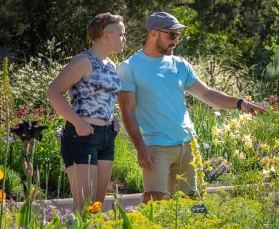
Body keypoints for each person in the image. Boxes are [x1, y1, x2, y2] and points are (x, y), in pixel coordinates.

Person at [117, 12, 267, 203]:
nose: (176, 41)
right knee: (155, 203)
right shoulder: (129, 67)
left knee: (190, 204)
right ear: (153, 34)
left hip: (188, 145)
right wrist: (140, 148)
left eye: (178, 35)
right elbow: (127, 112)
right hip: (156, 148)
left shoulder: (180, 65)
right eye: (172, 35)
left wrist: (240, 103)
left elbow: (207, 94)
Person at [47, 12, 125, 213]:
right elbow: (53, 92)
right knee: (83, 207)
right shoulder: (83, 61)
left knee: (95, 207)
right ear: (106, 35)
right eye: (121, 34)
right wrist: (78, 123)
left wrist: (113, 117)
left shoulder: (110, 65)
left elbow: (100, 97)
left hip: (107, 137)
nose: (124, 39)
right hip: (81, 137)